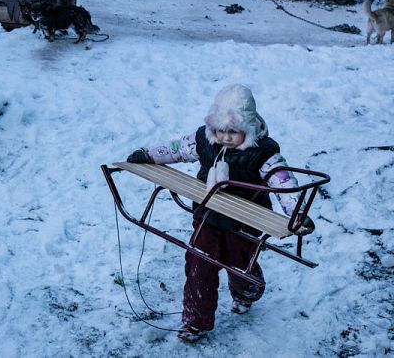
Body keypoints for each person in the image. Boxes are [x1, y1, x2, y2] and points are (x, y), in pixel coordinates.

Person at [126, 84, 313, 343]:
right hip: (208, 214)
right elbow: (177, 149)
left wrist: (297, 212)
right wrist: (148, 154)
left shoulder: (263, 152)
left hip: (246, 219)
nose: (226, 137)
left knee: (238, 263)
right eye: (221, 130)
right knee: (199, 262)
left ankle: (247, 291)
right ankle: (195, 321)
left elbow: (282, 181)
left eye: (234, 131)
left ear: (248, 128)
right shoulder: (205, 140)